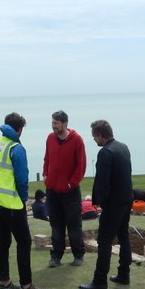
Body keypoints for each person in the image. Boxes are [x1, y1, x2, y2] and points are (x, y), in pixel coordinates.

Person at [0, 112, 48, 289]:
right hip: (12, 204)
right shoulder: (17, 148)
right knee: (23, 242)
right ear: (19, 130)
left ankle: (5, 283)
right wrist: (22, 199)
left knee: (3, 241)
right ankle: (27, 286)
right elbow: (22, 179)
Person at [79, 120, 133, 289]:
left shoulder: (105, 153)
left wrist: (101, 205)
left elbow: (103, 183)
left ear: (101, 135)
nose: (94, 140)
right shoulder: (123, 147)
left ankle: (100, 280)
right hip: (126, 199)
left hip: (113, 203)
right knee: (123, 236)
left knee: (104, 241)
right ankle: (124, 274)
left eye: (94, 136)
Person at [42, 110, 87, 267]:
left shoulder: (77, 140)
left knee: (74, 225)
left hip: (70, 192)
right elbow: (47, 158)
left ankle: (78, 255)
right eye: (52, 122)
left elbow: (81, 166)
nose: (53, 125)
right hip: (52, 191)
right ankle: (56, 256)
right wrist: (45, 174)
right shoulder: (50, 138)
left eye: (56, 123)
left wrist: (70, 184)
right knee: (56, 225)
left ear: (64, 124)